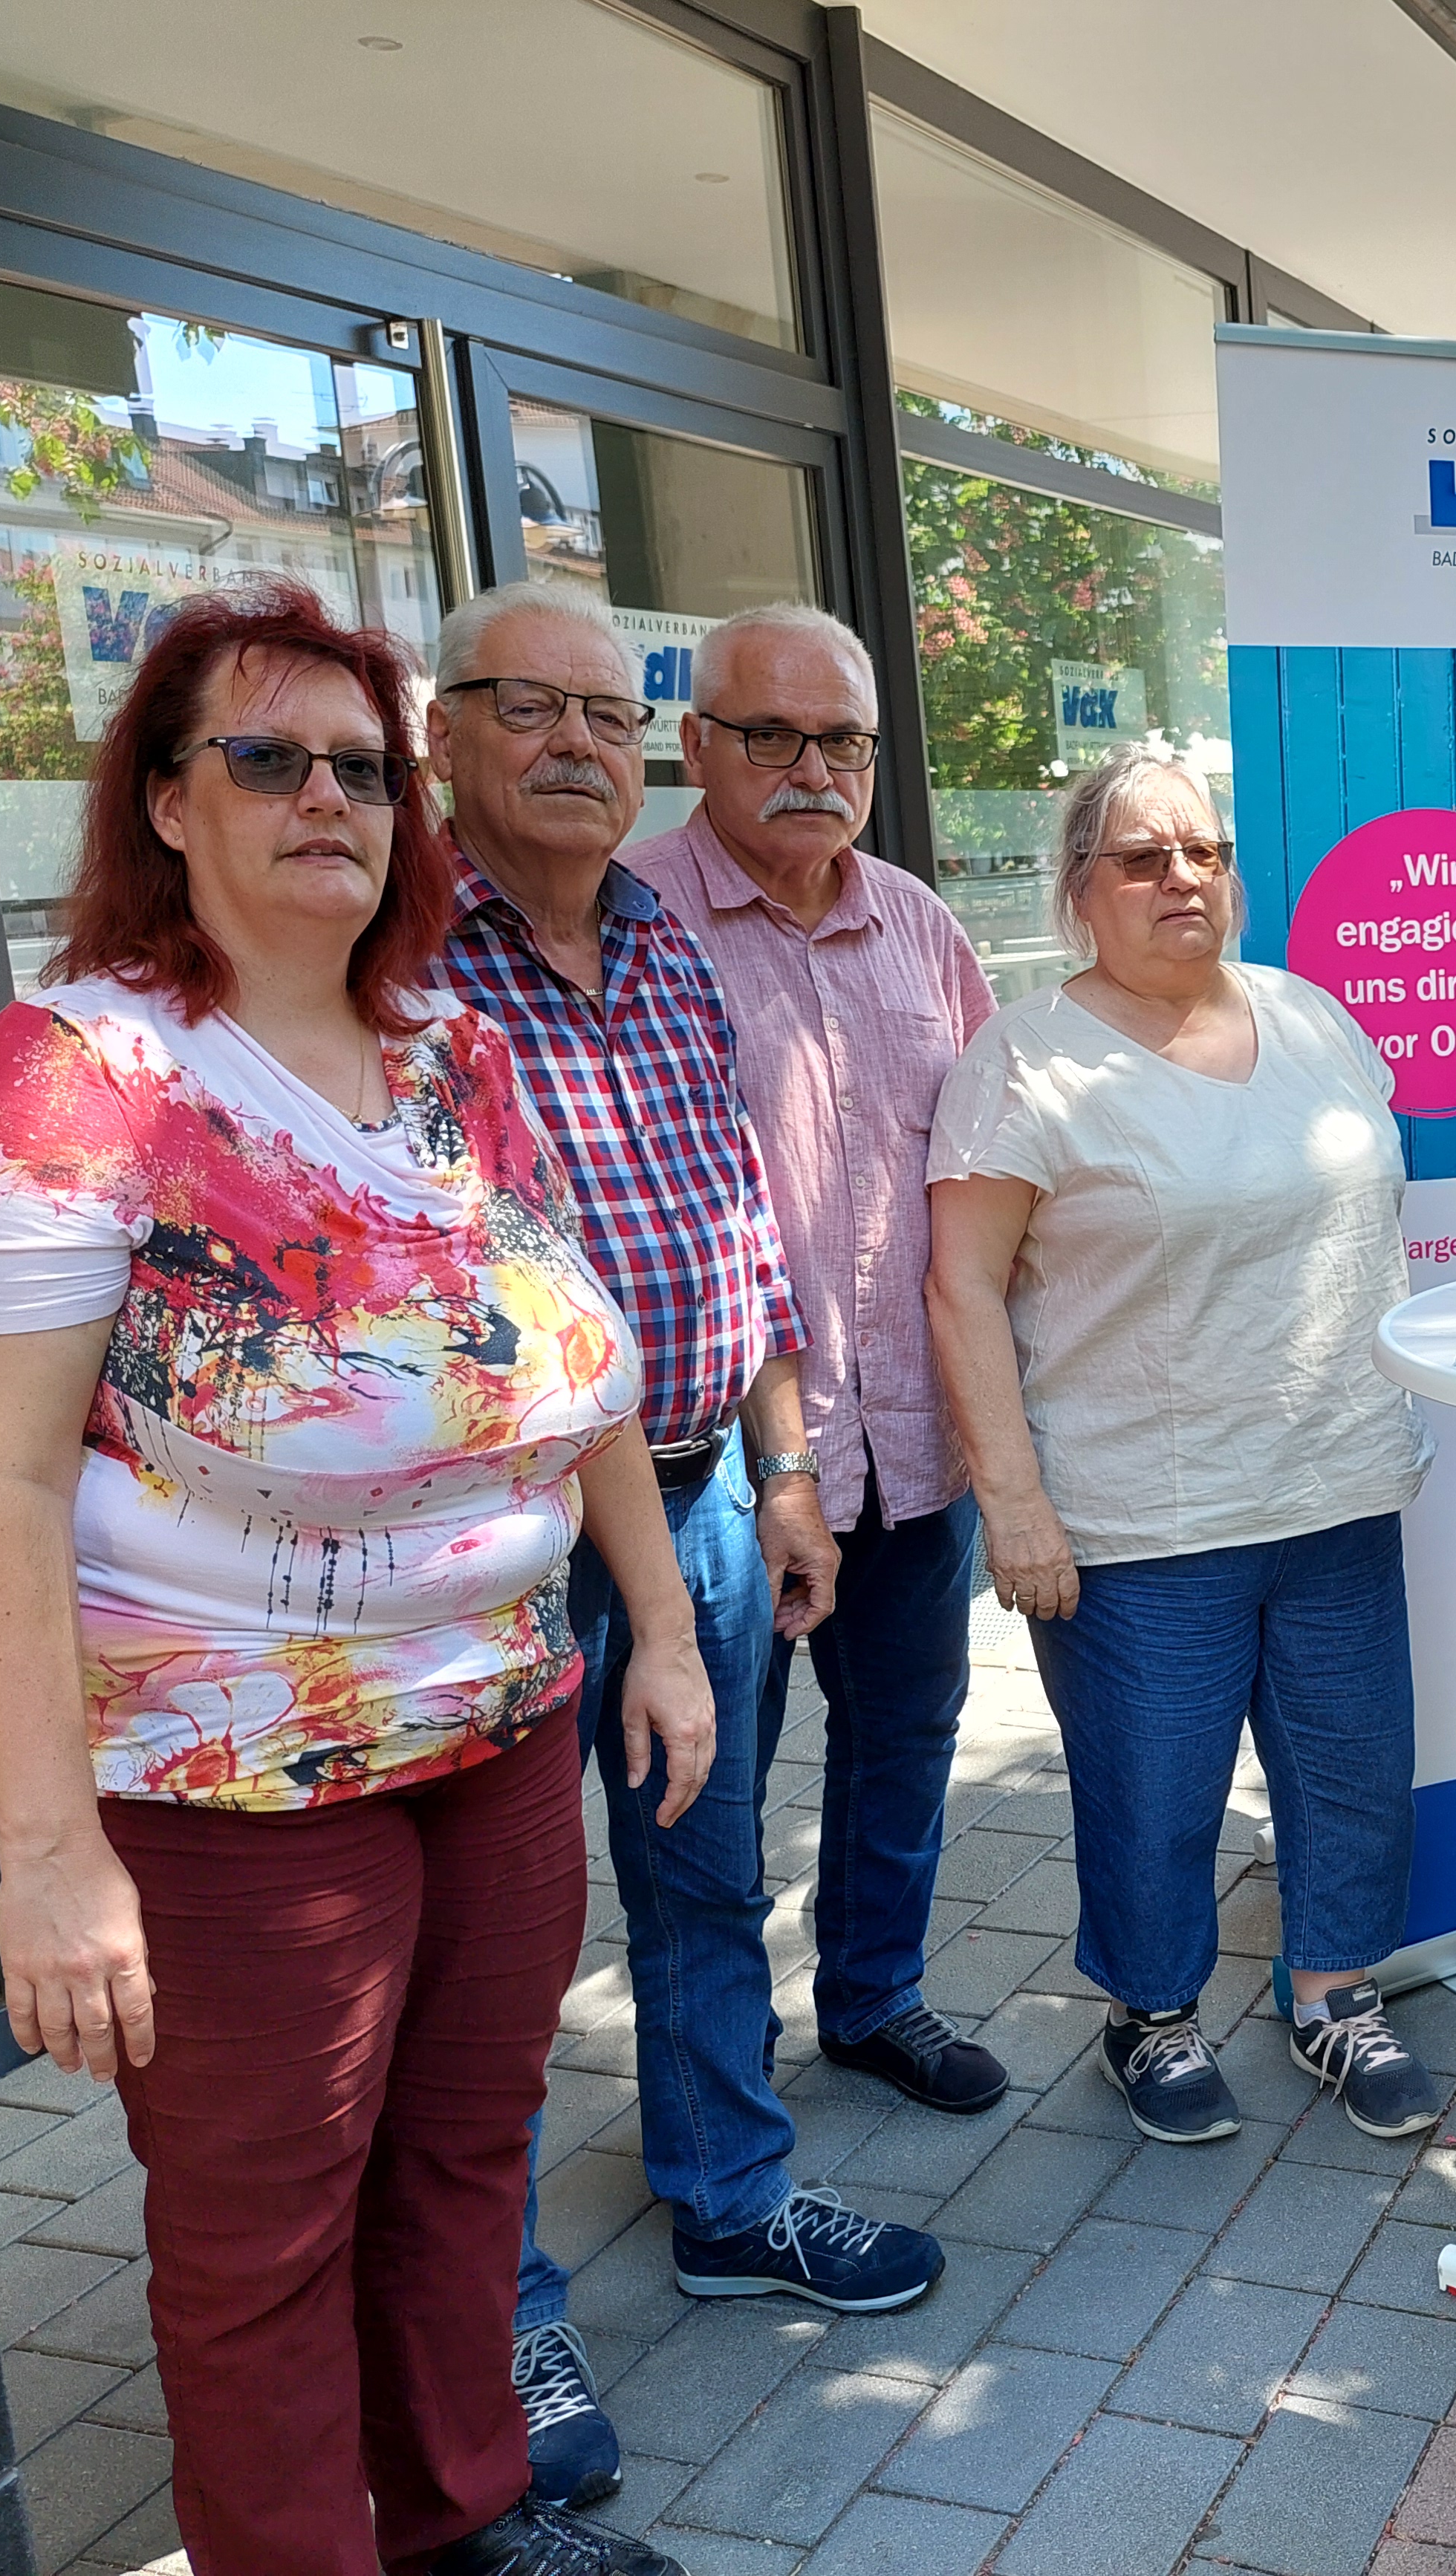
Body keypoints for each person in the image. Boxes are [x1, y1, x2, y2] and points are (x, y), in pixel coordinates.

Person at [0, 580, 698, 2576]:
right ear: (164, 800)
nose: (323, 795)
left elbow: (574, 1350)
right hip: (229, 1783)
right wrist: (49, 1848)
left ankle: (462, 2517)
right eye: (263, 755)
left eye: (359, 763)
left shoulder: (446, 1047)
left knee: (457, 2163)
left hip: (502, 1724)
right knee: (262, 2245)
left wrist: (664, 1629)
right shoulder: (74, 1073)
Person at [429, 580, 946, 2514]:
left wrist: (787, 1476)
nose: (575, 740)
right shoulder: (405, 962)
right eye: (526, 707)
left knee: (704, 1862)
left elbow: (734, 1241)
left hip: (706, 1494)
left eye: (599, 709)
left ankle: (729, 2194)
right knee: (492, 1942)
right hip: (478, 1540)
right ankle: (499, 2318)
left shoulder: (646, 944)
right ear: (449, 736)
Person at [927, 748, 1444, 2146]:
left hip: (1333, 1479)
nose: (1181, 879)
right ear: (1079, 890)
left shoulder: (1310, 1017)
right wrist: (1013, 1500)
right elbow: (960, 1284)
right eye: (1142, 857)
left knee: (1351, 1764)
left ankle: (1335, 1991)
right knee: (1152, 1791)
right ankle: (1148, 2014)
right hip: (1139, 1510)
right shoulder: (1025, 1057)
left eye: (1203, 852)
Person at [624, 602, 1008, 2126]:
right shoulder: (632, 917)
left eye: (840, 738)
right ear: (695, 744)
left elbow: (992, 1173)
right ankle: (715, 2091)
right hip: (713, 1465)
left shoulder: (919, 925)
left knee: (905, 1740)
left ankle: (874, 2001)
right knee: (704, 1794)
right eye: (770, 735)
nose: (811, 767)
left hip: (915, 1440)